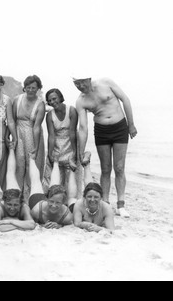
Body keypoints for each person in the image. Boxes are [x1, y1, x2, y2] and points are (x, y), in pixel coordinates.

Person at [74, 75, 137, 218]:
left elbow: (125, 99)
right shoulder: (81, 101)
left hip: (120, 127)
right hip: (101, 131)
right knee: (105, 168)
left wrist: (131, 124)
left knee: (119, 167)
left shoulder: (106, 83)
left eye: (81, 82)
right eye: (76, 83)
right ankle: (106, 203)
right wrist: (81, 150)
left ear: (88, 79)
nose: (79, 86)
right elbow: (83, 127)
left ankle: (121, 205)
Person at [0, 144, 36, 232]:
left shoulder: (24, 207)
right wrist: (19, 224)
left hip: (10, 196)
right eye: (9, 204)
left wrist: (9, 221)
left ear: (20, 204)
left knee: (11, 174)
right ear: (4, 202)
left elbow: (32, 224)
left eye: (15, 205)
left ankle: (11, 148)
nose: (12, 208)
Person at [43, 88, 82, 198]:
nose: (52, 102)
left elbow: (72, 132)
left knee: (71, 175)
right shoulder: (49, 115)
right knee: (55, 175)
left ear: (60, 98)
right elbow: (51, 136)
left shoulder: (72, 110)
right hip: (57, 144)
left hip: (70, 142)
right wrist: (49, 154)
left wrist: (74, 153)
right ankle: (54, 198)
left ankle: (72, 200)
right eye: (49, 100)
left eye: (54, 99)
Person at [13, 75, 45, 202]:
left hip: (33, 135)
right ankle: (17, 195)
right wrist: (10, 137)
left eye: (34, 88)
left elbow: (36, 127)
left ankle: (30, 197)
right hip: (18, 134)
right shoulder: (17, 99)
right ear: (24, 87)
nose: (31, 90)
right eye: (28, 87)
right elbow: (12, 120)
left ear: (38, 89)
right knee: (18, 164)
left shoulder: (40, 104)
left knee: (32, 164)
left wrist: (36, 147)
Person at [28, 151, 75, 229]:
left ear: (63, 203)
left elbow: (71, 225)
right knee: (35, 182)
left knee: (56, 187)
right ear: (47, 199)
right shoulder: (36, 210)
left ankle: (56, 162)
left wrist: (59, 226)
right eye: (51, 202)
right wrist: (41, 226)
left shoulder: (67, 215)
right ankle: (32, 160)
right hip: (38, 202)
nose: (54, 205)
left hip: (51, 201)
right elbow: (30, 222)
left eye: (58, 203)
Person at [73, 152, 115, 232]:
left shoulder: (107, 208)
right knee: (73, 197)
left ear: (101, 198)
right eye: (89, 197)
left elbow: (112, 230)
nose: (92, 200)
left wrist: (98, 228)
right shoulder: (79, 204)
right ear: (84, 197)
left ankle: (87, 165)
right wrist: (84, 224)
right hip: (79, 205)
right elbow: (77, 223)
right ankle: (77, 167)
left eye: (96, 197)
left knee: (90, 188)